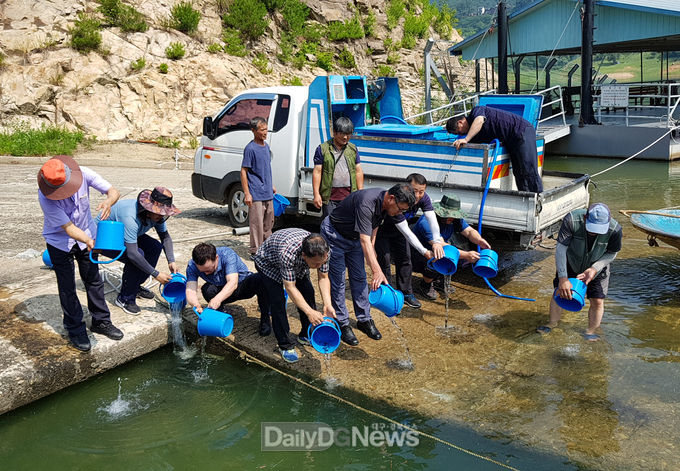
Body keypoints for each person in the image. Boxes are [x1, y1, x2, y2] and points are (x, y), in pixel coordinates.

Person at [38, 155, 123, 352]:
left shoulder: (84, 174)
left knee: (93, 279)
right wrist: (88, 241)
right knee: (67, 286)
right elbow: (68, 228)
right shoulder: (45, 197)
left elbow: (113, 191)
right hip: (59, 241)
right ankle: (75, 328)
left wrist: (109, 202)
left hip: (87, 234)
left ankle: (101, 321)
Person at [320, 184, 416, 346]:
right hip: (334, 235)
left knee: (359, 277)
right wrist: (377, 270)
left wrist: (372, 246)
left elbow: (374, 225)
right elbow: (364, 239)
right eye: (400, 209)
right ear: (391, 198)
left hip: (355, 238)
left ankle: (364, 319)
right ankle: (342, 322)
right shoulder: (367, 202)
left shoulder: (385, 204)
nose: (400, 213)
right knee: (339, 280)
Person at [537, 203, 622, 341]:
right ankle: (552, 323)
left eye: (599, 229)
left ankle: (591, 331)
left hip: (598, 265)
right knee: (560, 291)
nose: (594, 232)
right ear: (584, 217)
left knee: (598, 300)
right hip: (571, 260)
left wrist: (595, 269)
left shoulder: (615, 230)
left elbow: (612, 254)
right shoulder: (571, 220)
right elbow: (560, 249)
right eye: (592, 228)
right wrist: (563, 278)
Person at [253, 229, 335, 363]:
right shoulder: (288, 253)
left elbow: (323, 277)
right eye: (315, 264)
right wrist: (309, 312)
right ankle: (285, 344)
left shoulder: (324, 251)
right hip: (268, 263)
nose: (318, 266)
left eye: (321, 263)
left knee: (308, 292)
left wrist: (327, 304)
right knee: (278, 301)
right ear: (304, 255)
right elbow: (290, 287)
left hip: (297, 265)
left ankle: (304, 334)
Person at [104, 187, 181, 315]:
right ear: (148, 208)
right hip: (105, 237)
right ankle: (125, 298)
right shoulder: (130, 216)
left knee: (155, 247)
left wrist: (171, 260)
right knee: (137, 256)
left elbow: (165, 237)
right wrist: (156, 274)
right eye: (159, 212)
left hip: (124, 234)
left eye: (164, 213)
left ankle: (135, 286)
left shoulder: (157, 216)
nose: (162, 216)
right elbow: (133, 254)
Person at [375, 173, 444, 309]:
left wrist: (436, 241)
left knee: (406, 259)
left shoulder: (424, 198)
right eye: (415, 191)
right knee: (385, 260)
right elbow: (407, 232)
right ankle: (388, 296)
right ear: (407, 187)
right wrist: (425, 252)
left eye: (421, 191)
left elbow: (432, 219)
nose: (418, 195)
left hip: (400, 231)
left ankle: (406, 293)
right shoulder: (400, 198)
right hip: (383, 230)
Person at [409, 194, 491, 300]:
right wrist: (466, 255)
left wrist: (480, 240)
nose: (451, 218)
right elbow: (441, 245)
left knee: (454, 258)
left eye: (453, 215)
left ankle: (439, 281)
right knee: (437, 257)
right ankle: (425, 285)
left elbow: (469, 231)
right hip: (418, 253)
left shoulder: (453, 219)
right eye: (448, 215)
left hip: (440, 248)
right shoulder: (427, 222)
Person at [446, 106, 543, 193]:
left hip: (521, 131)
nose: (460, 134)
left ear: (460, 122)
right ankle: (525, 197)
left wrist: (466, 139)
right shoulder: (474, 135)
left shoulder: (477, 111)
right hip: (511, 141)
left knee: (528, 168)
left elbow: (479, 120)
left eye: (458, 131)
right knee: (518, 172)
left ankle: (537, 197)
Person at [185, 243, 271, 336]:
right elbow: (190, 289)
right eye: (203, 271)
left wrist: (217, 299)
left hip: (241, 286)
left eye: (209, 270)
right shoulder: (192, 265)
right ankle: (220, 316)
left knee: (260, 279)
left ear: (216, 258)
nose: (206, 274)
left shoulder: (227, 254)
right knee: (207, 289)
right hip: (220, 288)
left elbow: (232, 282)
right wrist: (196, 304)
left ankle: (265, 317)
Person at [312, 116, 364, 217]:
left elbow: (358, 171)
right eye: (342, 133)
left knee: (346, 226)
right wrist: (316, 194)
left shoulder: (353, 149)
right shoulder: (322, 149)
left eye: (348, 134)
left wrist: (360, 191)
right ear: (334, 133)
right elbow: (317, 172)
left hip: (349, 197)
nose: (345, 137)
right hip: (330, 197)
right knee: (330, 225)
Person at [241, 116, 275, 255]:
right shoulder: (250, 148)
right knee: (257, 225)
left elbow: (266, 168)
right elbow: (244, 171)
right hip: (256, 193)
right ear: (254, 131)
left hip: (268, 192)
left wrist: (271, 185)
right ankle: (256, 252)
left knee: (269, 223)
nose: (265, 132)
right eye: (262, 130)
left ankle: (267, 250)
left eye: (266, 129)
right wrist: (247, 193)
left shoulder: (266, 146)